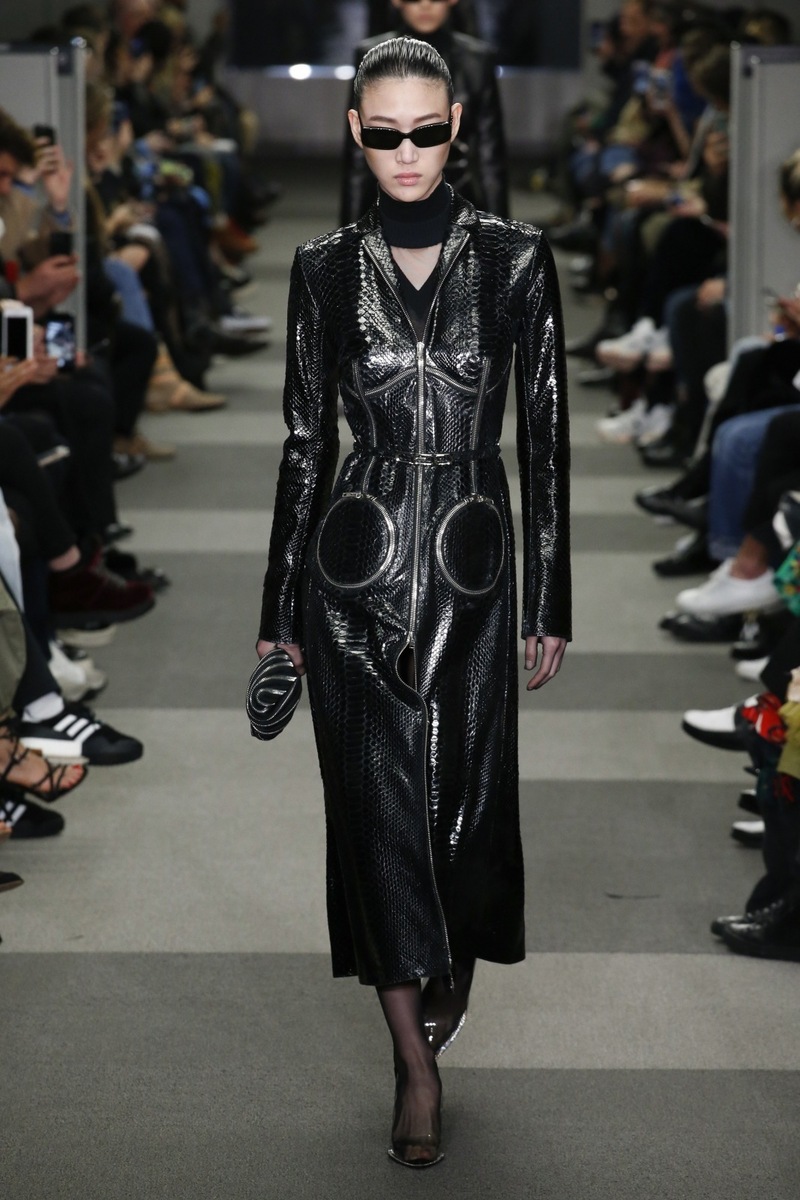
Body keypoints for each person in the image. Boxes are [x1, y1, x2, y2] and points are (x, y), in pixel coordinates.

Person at [257, 37, 570, 1167]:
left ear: (456, 126)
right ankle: (414, 1066)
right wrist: (278, 615)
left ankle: (449, 975)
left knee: (470, 814)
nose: (405, 152)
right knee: (377, 817)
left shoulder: (517, 260)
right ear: (355, 131)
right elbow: (305, 443)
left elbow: (544, 438)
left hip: (476, 566)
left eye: (425, 131)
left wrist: (552, 597)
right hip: (353, 570)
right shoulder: (324, 268)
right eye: (383, 132)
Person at [341, 0, 509, 224]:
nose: (425, 5)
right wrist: (348, 233)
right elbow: (357, 158)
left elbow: (490, 157)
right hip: (385, 198)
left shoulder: (477, 61)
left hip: (457, 197)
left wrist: (500, 232)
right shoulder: (371, 58)